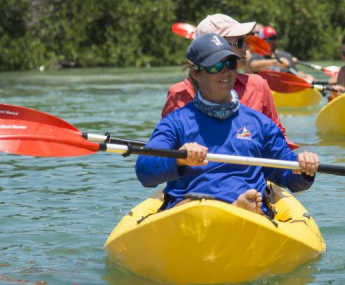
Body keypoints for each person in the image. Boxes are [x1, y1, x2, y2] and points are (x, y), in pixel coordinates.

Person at [137, 33, 320, 215]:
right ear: (196, 73)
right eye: (216, 66)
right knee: (189, 206)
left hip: (248, 211)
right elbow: (145, 171)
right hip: (190, 211)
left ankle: (237, 210)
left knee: (248, 204)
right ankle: (230, 209)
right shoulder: (175, 123)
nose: (226, 71)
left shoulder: (260, 124)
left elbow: (289, 177)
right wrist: (179, 158)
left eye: (230, 63)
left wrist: (304, 169)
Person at [163, 13, 295, 146]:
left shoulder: (258, 86)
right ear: (215, 45)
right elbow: (167, 147)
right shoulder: (178, 93)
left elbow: (278, 139)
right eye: (239, 42)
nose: (246, 47)